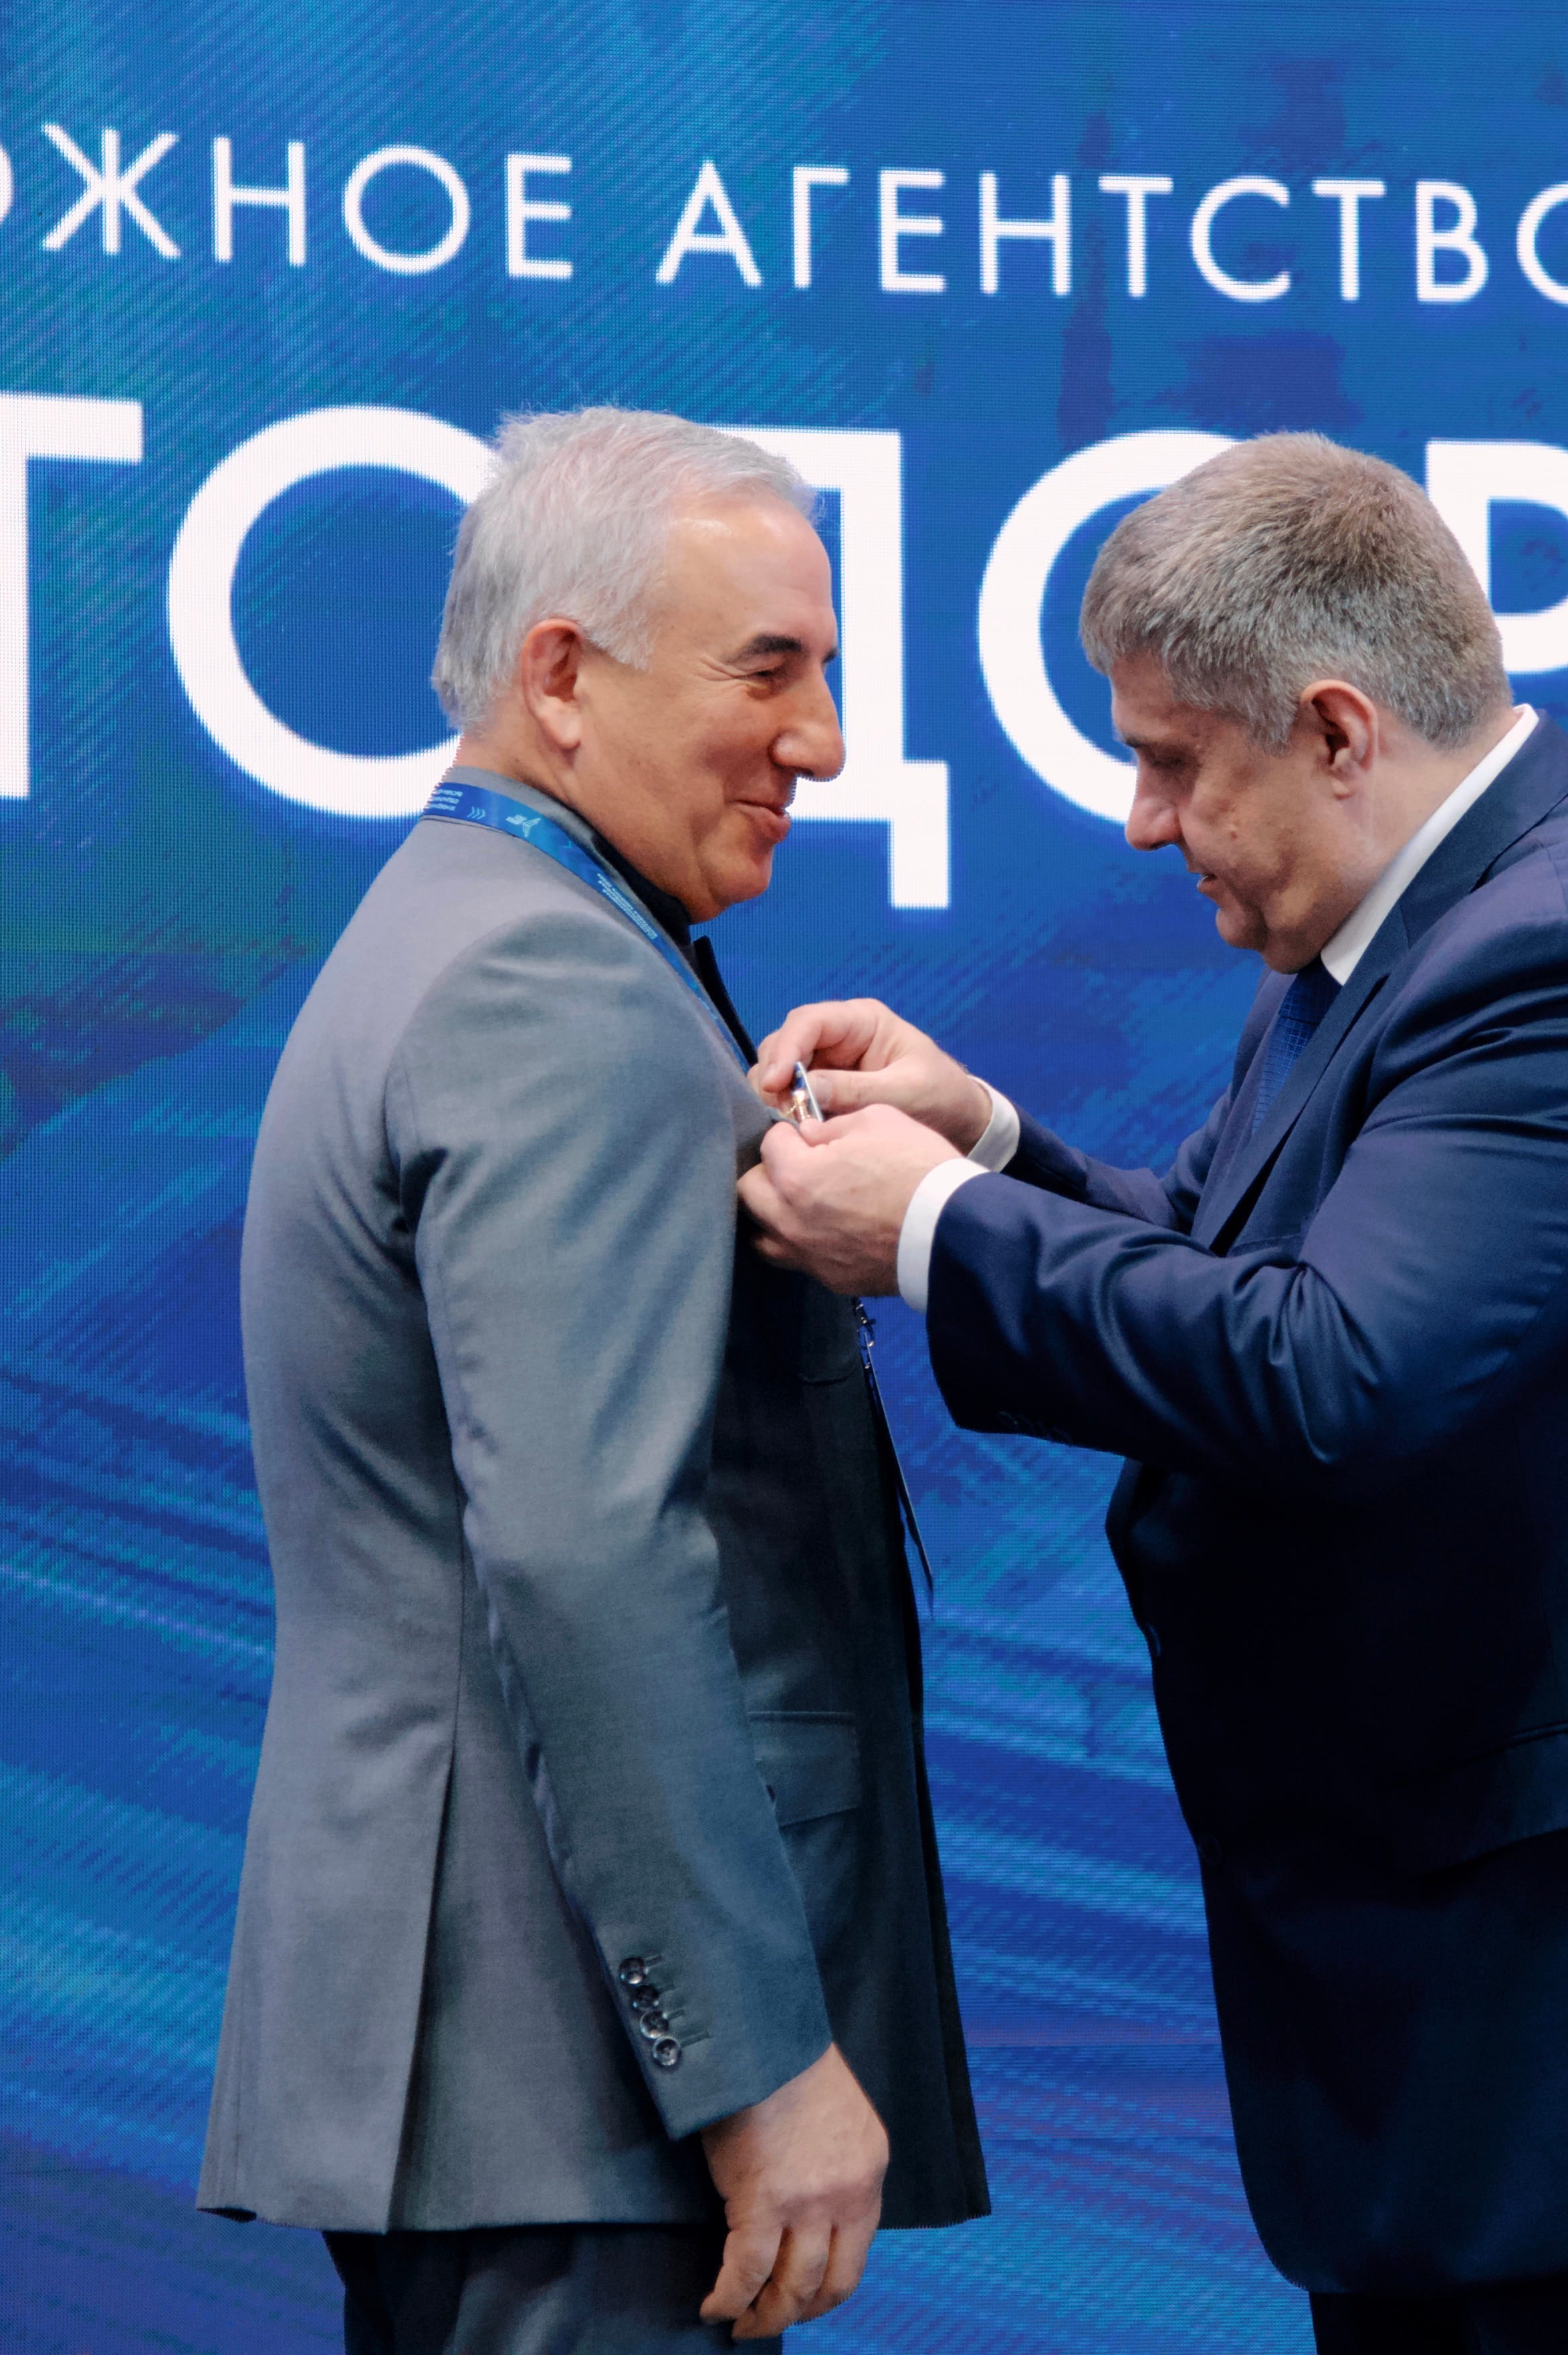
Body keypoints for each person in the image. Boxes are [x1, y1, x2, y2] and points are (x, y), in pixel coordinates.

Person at [738, 432, 1568, 2354]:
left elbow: (1333, 1368)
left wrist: (927, 1229)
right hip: (1538, 2053)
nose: (1142, 822)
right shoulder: (1412, 938)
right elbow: (1243, 1257)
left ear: (1337, 729)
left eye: (1174, 763)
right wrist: (986, 1145)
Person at [200, 408, 983, 2350]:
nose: (825, 741)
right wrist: (754, 2059)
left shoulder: (468, 934)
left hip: (517, 2089)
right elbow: (588, 1555)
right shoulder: (551, 986)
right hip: (579, 2098)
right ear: (561, 675)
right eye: (768, 670)